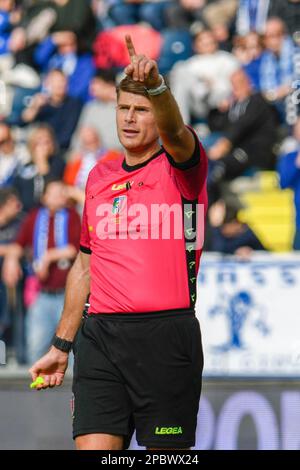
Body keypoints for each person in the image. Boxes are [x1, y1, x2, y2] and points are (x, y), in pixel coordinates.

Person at [28, 35, 208, 451]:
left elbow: (176, 131)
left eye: (141, 110)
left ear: (157, 116)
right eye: (123, 108)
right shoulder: (98, 177)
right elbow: (85, 264)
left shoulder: (182, 167)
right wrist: (61, 345)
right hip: (101, 339)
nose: (129, 118)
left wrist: (158, 89)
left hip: (166, 338)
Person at [3, 178, 81, 363]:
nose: (60, 195)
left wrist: (47, 257)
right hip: (42, 293)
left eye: (62, 191)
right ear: (45, 197)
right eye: (55, 192)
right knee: (35, 349)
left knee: (70, 352)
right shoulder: (35, 217)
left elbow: (73, 249)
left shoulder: (72, 216)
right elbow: (18, 244)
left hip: (67, 295)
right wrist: (11, 259)